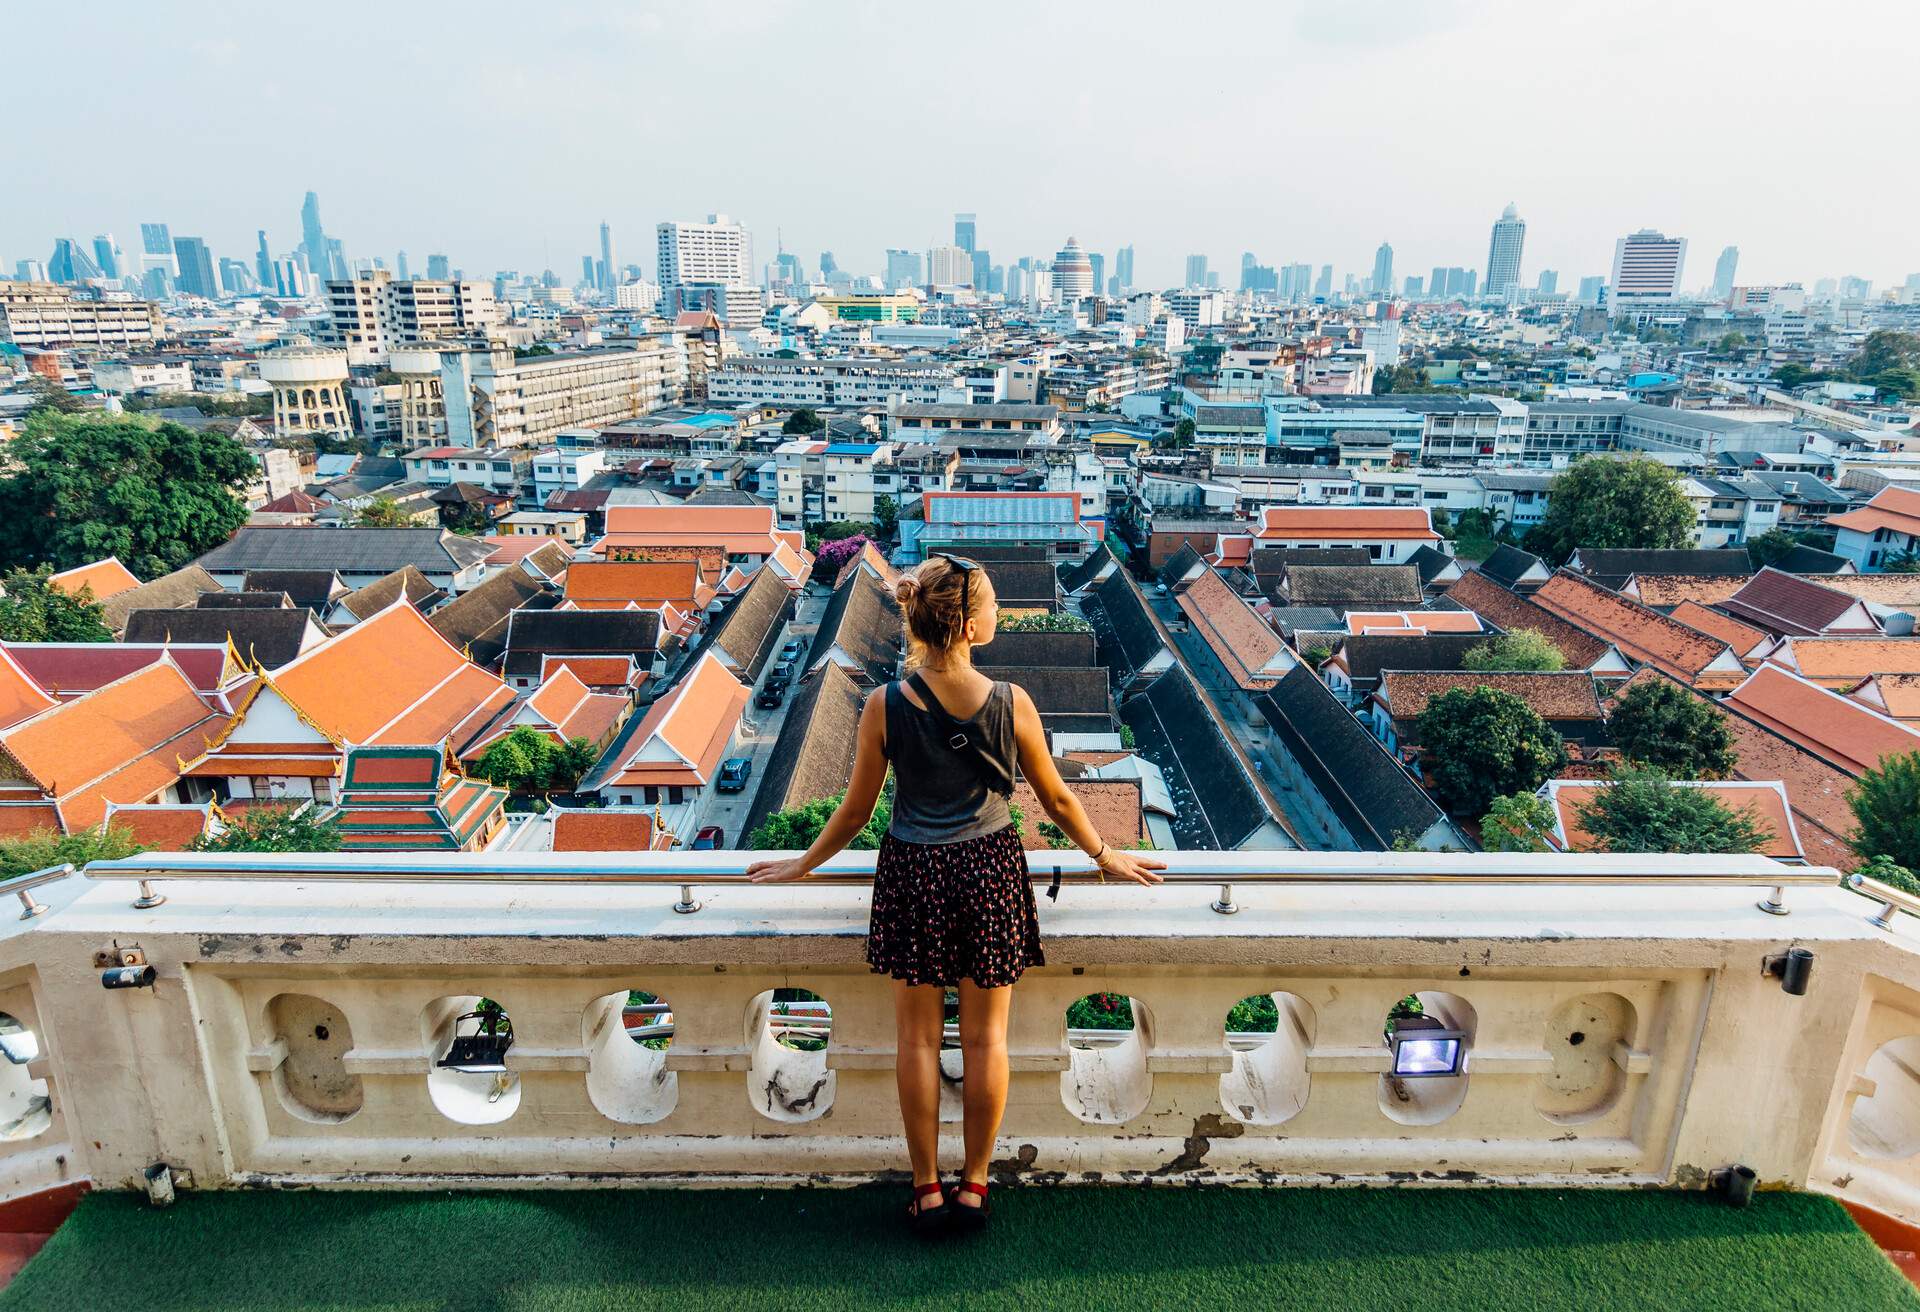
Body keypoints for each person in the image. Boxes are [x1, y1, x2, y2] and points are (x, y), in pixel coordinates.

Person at [746, 553, 1165, 1234]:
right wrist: (1104, 852)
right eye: (993, 608)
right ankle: (974, 1183)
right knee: (984, 1042)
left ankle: (925, 1186)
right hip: (990, 870)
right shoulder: (1010, 703)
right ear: (969, 626)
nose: (998, 615)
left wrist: (804, 864)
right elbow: (1057, 797)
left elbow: (855, 813)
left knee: (914, 1042)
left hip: (914, 872)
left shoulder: (885, 705)